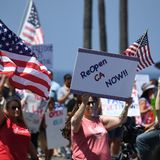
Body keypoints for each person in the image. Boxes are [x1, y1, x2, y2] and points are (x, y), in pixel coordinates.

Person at [67, 94, 132, 160]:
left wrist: (126, 106)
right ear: (79, 105)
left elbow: (120, 120)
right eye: (88, 103)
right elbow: (74, 120)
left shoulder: (99, 119)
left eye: (92, 103)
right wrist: (84, 102)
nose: (91, 105)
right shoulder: (79, 122)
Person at [0, 95, 39, 160]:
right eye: (13, 107)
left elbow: (27, 142)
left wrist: (36, 157)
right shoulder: (4, 121)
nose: (17, 109)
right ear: (6, 109)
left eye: (18, 107)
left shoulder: (23, 124)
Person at [136, 82, 160, 160]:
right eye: (149, 90)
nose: (152, 91)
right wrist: (148, 109)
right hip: (144, 124)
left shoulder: (151, 100)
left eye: (152, 89)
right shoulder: (143, 100)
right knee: (142, 140)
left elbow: (155, 111)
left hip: (152, 124)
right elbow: (140, 112)